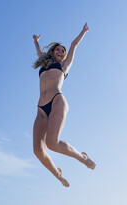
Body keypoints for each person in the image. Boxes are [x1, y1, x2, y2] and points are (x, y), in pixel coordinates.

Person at [32, 23, 96, 187]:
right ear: (52, 52)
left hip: (56, 102)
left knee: (52, 143)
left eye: (63, 51)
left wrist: (83, 31)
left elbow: (74, 45)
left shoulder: (64, 65)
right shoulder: (44, 63)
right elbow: (39, 53)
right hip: (41, 110)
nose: (60, 52)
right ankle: (58, 174)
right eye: (58, 50)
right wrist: (36, 41)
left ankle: (82, 157)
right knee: (38, 151)